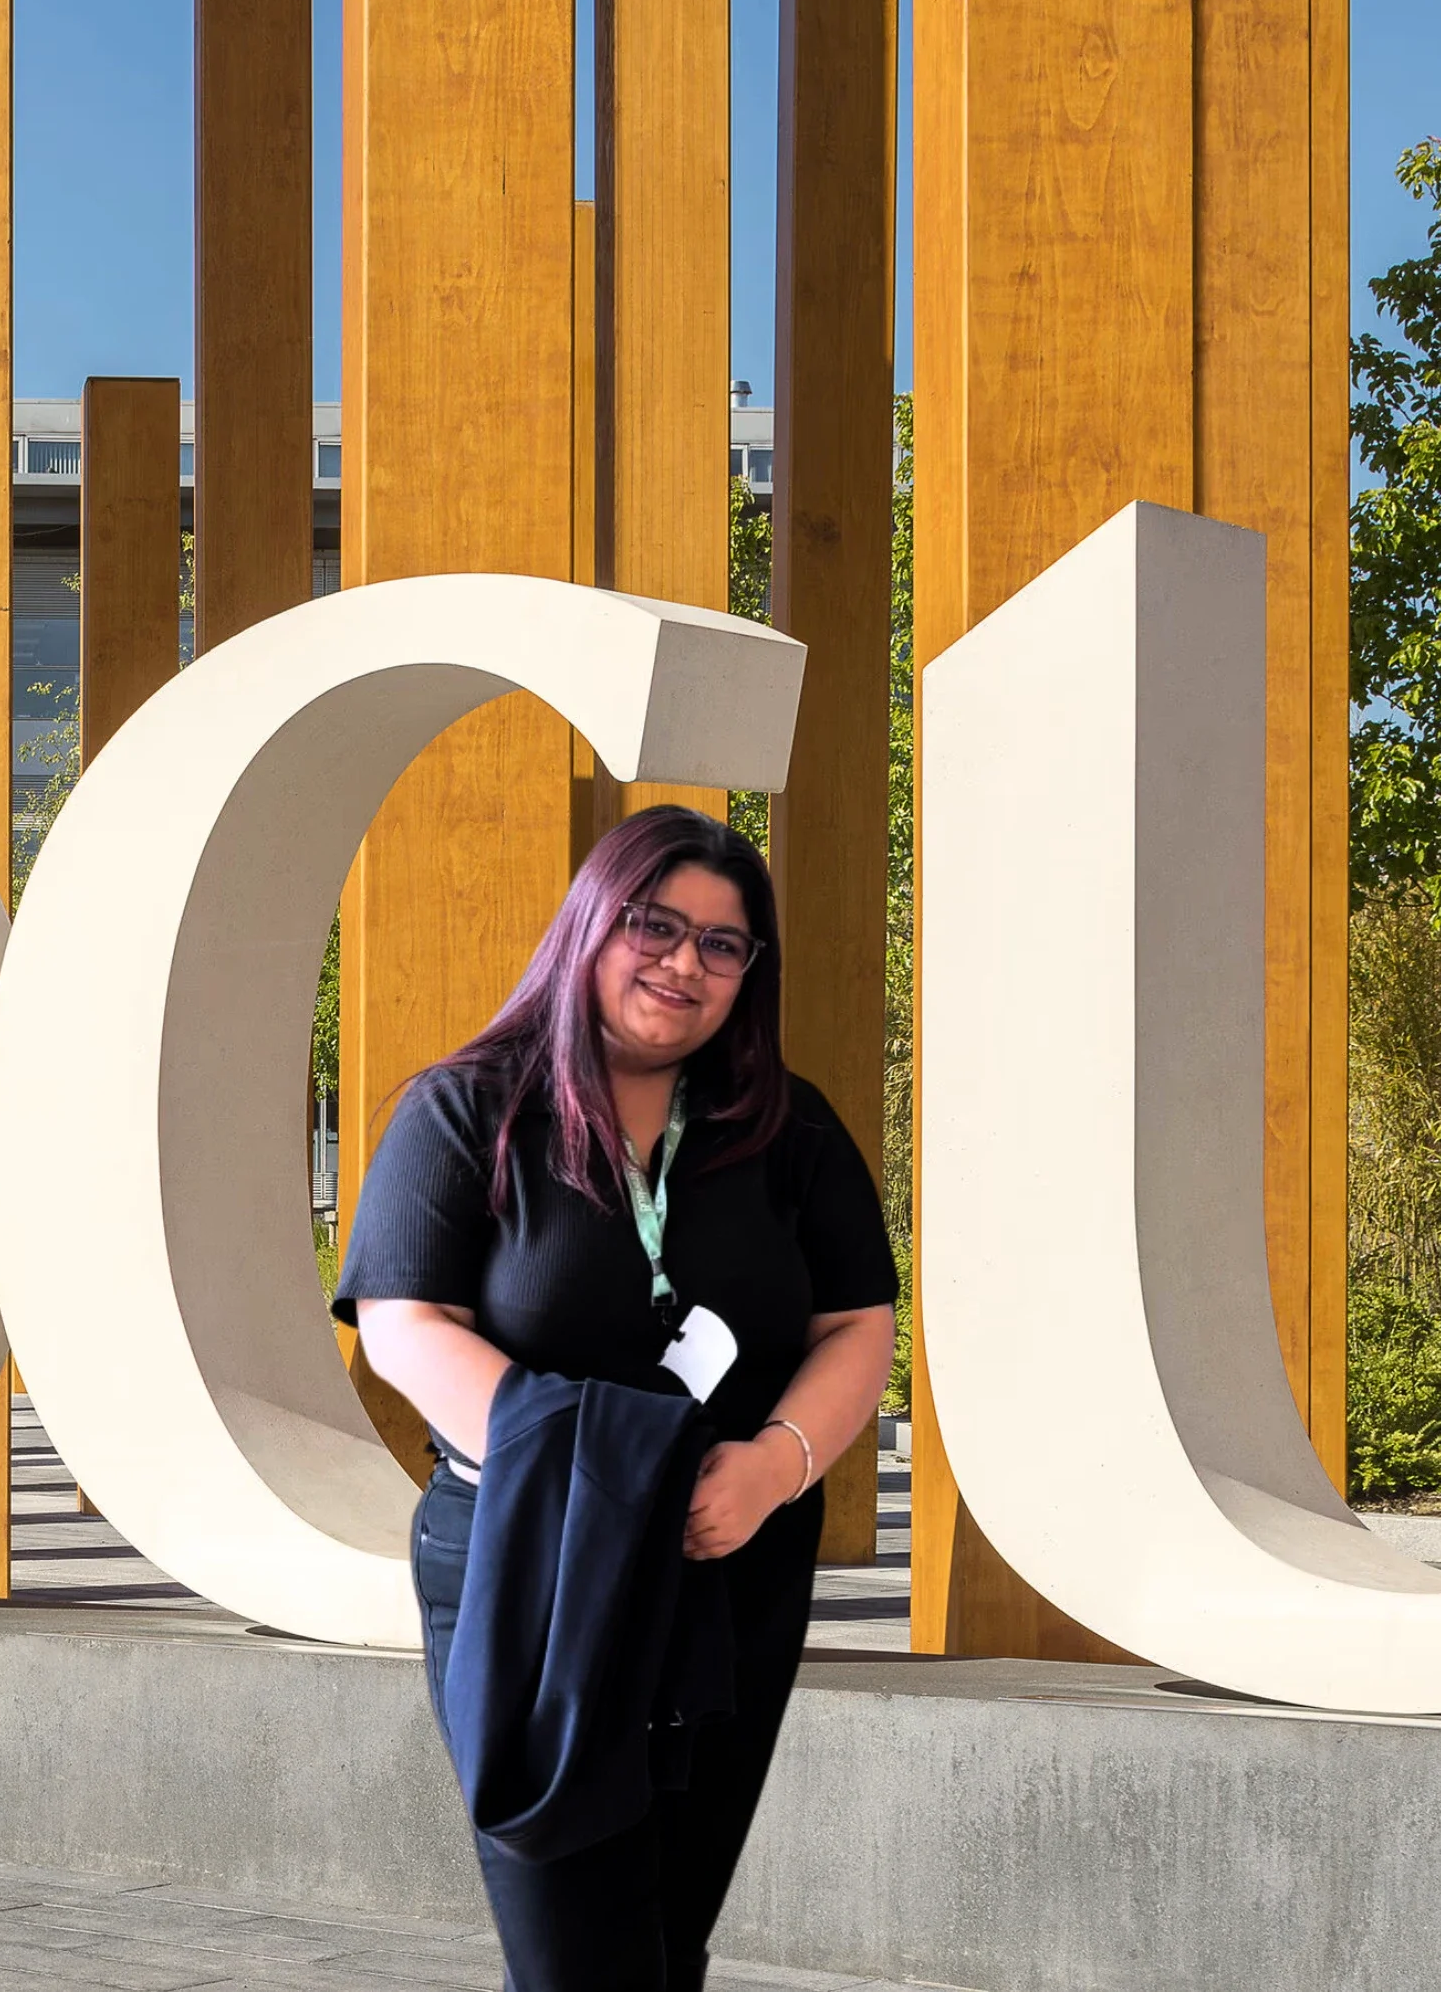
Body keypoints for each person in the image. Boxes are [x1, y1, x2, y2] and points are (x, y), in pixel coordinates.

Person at [338, 803, 898, 1992]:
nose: (684, 962)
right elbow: (403, 1323)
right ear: (593, 924)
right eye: (655, 924)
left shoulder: (790, 1128)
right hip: (530, 1561)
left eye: (723, 943)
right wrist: (605, 1481)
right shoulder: (467, 1109)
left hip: (732, 1567)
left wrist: (778, 1465)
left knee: (663, 1947)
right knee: (575, 1952)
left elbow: (856, 1325)